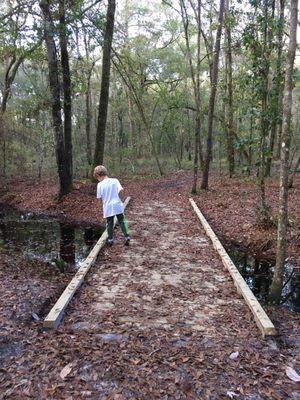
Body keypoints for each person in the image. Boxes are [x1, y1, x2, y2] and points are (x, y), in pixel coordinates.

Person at [93, 165, 130, 246]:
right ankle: (127, 237)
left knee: (109, 223)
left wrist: (101, 205)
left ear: (98, 175)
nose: (97, 180)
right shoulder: (115, 180)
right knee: (122, 221)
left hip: (107, 206)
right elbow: (120, 191)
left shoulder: (100, 185)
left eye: (97, 178)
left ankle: (110, 240)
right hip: (117, 204)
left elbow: (99, 197)